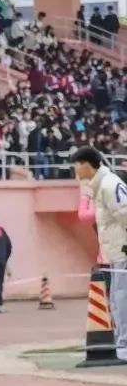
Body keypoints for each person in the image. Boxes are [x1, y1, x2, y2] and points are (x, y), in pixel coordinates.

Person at [73, 146, 127, 358]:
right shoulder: (100, 186)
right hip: (114, 252)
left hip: (122, 251)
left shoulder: (109, 185)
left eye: (77, 165)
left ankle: (124, 345)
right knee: (116, 298)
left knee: (122, 298)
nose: (76, 170)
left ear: (87, 164)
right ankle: (121, 342)